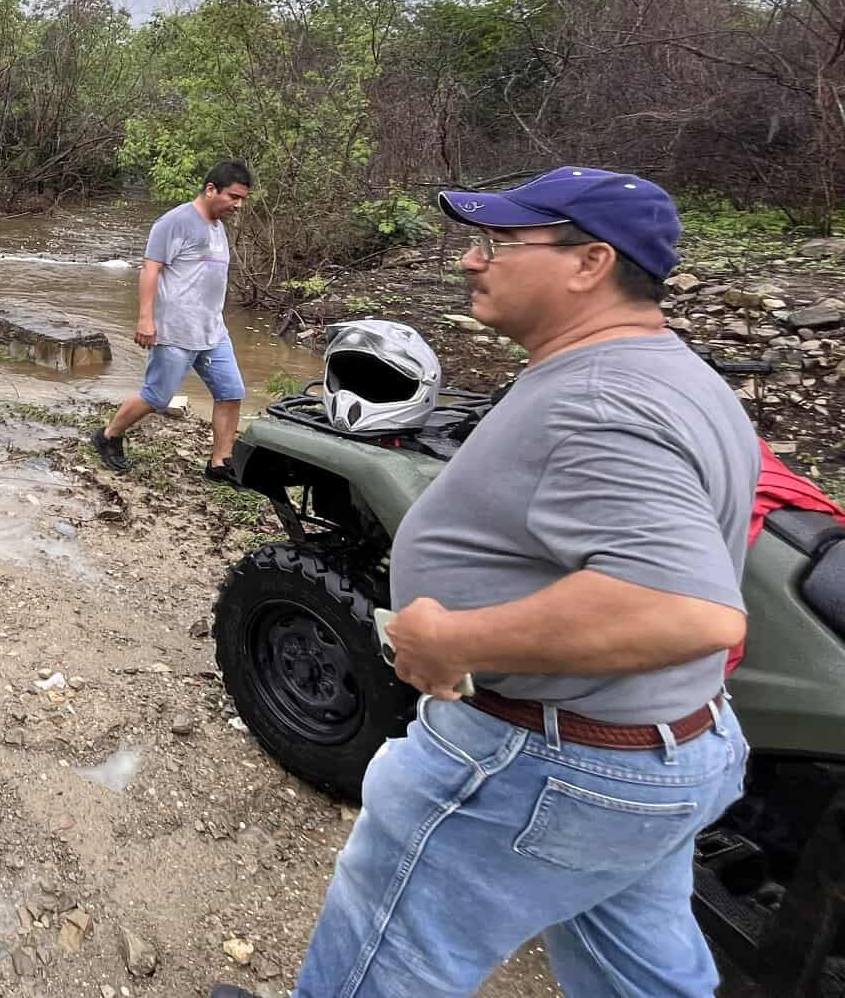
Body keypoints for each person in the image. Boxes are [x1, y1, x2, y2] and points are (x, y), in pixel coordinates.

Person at [214, 167, 755, 998]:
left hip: (548, 762)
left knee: (387, 956)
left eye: (500, 243)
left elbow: (684, 609)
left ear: (591, 263)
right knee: (638, 974)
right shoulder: (668, 372)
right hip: (660, 748)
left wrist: (454, 640)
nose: (472, 260)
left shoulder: (601, 399)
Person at [92, 160, 253, 482]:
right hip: (177, 330)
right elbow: (150, 269)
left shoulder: (218, 227)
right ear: (211, 190)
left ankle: (220, 463)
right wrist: (145, 319)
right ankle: (108, 435)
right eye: (234, 197)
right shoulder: (175, 222)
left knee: (231, 392)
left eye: (242, 199)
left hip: (212, 330)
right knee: (156, 397)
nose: (238, 205)